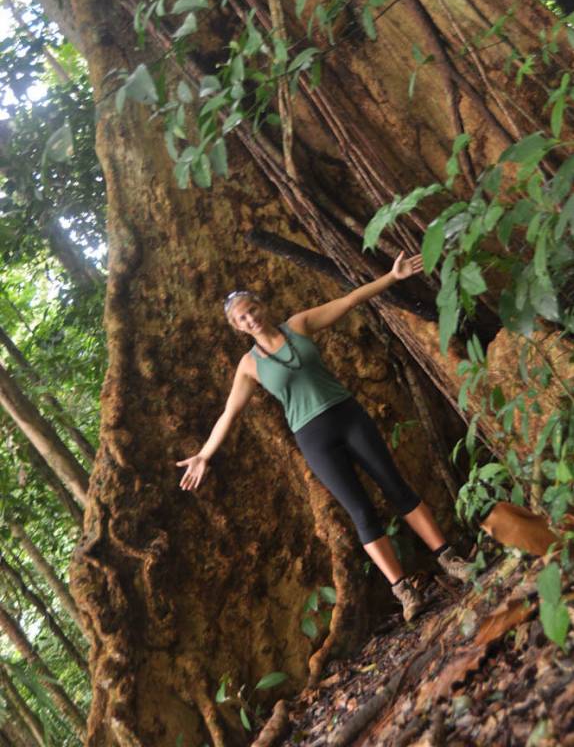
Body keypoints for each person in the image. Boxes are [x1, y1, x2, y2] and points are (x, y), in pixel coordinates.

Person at [177, 252, 472, 621]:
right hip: (313, 437)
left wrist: (392, 277)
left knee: (396, 487)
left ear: (261, 306)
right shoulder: (249, 366)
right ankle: (404, 592)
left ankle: (449, 559)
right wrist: (204, 455)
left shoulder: (298, 325)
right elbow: (228, 415)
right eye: (242, 318)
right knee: (361, 512)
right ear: (237, 327)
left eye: (252, 309)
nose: (250, 318)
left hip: (349, 416)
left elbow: (349, 300)